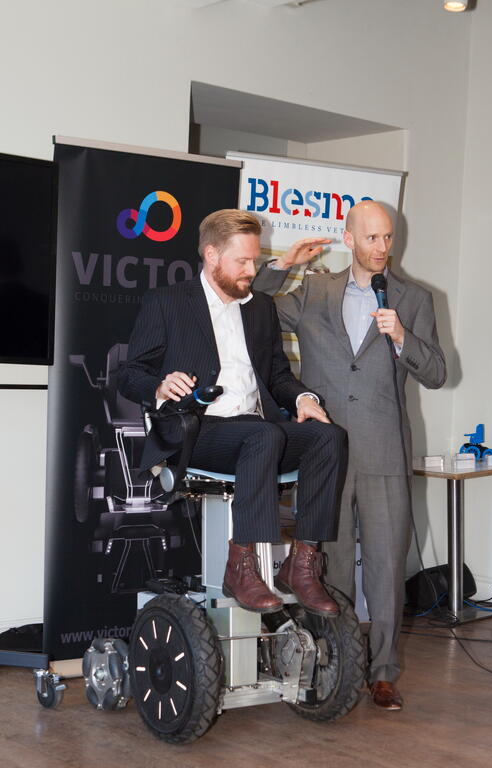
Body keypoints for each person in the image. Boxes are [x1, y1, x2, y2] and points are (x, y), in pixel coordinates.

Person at [253, 200, 446, 710]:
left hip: (385, 449)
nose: (382, 248)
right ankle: (337, 661)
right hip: (327, 452)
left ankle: (382, 672)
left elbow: (438, 372)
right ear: (348, 236)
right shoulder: (315, 290)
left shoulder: (415, 298)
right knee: (329, 567)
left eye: (388, 238)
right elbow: (254, 306)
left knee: (385, 566)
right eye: (373, 238)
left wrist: (403, 337)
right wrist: (284, 265)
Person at [118, 208, 347, 619]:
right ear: (211, 255)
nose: (251, 270)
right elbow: (128, 373)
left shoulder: (259, 307)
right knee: (264, 436)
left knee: (329, 437)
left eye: (254, 260)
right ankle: (241, 568)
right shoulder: (168, 302)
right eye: (241, 261)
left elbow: (277, 375)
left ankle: (303, 564)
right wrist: (157, 386)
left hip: (254, 430)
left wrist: (301, 399)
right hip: (195, 431)